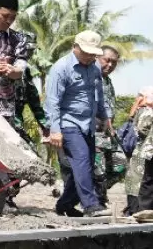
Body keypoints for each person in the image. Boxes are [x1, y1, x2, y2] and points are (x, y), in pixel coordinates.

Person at [45, 30, 111, 217]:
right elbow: (52, 102)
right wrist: (55, 130)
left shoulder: (95, 67)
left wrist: (105, 118)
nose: (90, 56)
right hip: (68, 123)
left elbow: (98, 95)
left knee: (85, 165)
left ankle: (65, 204)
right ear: (75, 47)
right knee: (81, 160)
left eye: (93, 53)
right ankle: (91, 205)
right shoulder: (61, 68)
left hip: (88, 124)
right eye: (86, 52)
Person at [93, 46, 122, 206]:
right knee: (99, 168)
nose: (110, 65)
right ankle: (98, 199)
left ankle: (95, 192)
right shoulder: (91, 76)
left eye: (114, 62)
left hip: (108, 134)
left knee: (120, 165)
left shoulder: (108, 81)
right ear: (98, 58)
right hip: (94, 132)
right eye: (107, 60)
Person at [123, 87, 153, 216]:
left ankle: (135, 209)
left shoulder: (142, 111)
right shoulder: (147, 112)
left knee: (136, 181)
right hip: (144, 151)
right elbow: (142, 130)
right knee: (141, 181)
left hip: (141, 151)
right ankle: (138, 209)